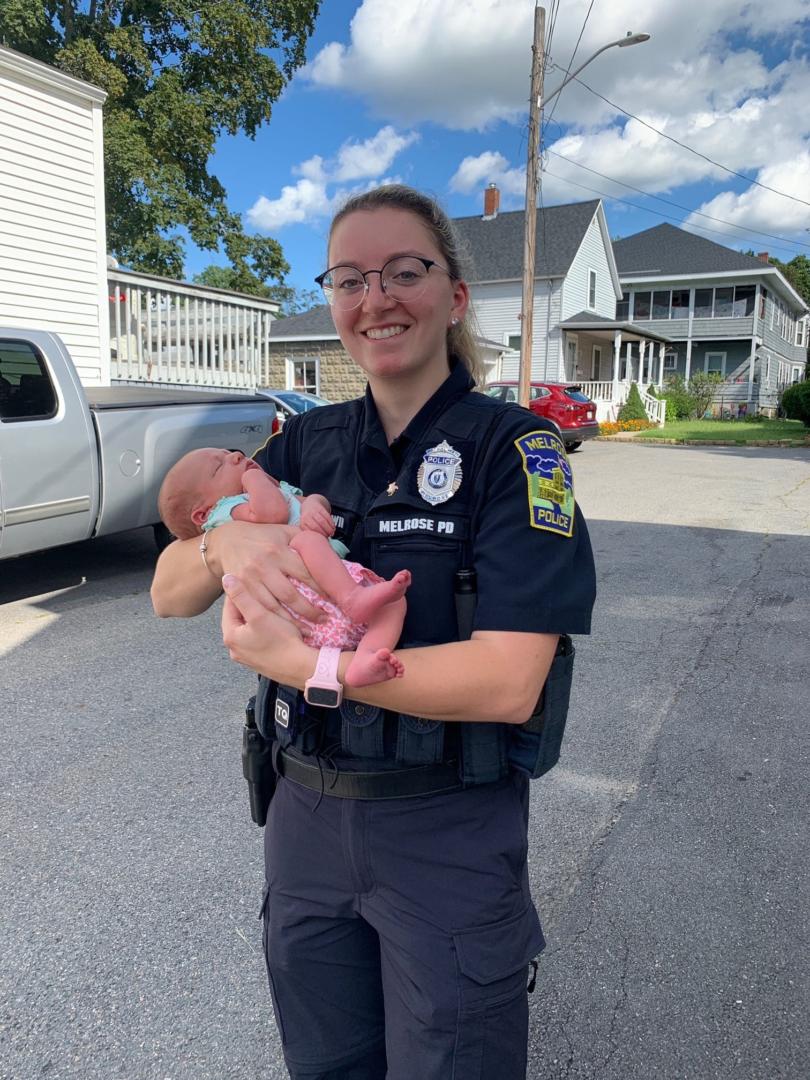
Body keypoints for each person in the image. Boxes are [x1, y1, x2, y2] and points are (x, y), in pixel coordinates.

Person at [151, 184, 596, 1080]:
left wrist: (316, 665)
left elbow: (510, 682)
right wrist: (221, 540)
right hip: (304, 817)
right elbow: (167, 594)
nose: (375, 298)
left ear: (456, 297)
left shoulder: (518, 453)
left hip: (446, 829)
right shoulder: (303, 444)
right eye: (350, 278)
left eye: (405, 271)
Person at [157, 446, 409, 687]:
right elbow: (273, 513)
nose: (235, 456)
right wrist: (254, 477)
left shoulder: (274, 487)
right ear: (203, 514)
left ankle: (366, 657)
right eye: (218, 467)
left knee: (394, 602)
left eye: (229, 453)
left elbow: (311, 499)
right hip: (310, 599)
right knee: (306, 540)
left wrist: (313, 506)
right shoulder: (226, 510)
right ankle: (353, 598)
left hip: (329, 600)